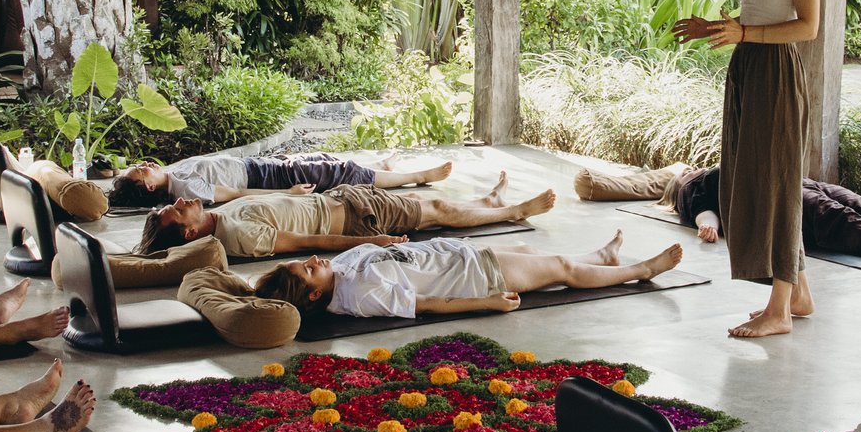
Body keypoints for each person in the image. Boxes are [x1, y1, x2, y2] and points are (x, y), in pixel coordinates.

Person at [672, 0, 820, 340]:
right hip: (748, 71)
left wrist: (745, 34)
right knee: (749, 179)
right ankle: (797, 292)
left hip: (776, 74)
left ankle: (778, 309)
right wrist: (711, 28)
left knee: (776, 183)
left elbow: (807, 26)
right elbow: (750, 20)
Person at [255, 231, 683, 321]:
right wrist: (488, 302)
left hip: (460, 253)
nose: (315, 260)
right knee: (561, 270)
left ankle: (600, 254)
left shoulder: (340, 270)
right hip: (476, 276)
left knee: (538, 252)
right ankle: (641, 270)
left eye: (308, 260)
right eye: (309, 269)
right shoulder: (361, 296)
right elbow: (425, 305)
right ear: (313, 296)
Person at [146, 173, 555, 261]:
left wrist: (287, 193)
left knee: (432, 210)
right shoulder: (241, 238)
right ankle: (515, 211)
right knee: (436, 212)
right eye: (176, 211)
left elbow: (266, 203)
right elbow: (312, 244)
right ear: (187, 233)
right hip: (357, 220)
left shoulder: (218, 217)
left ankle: (488, 202)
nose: (181, 202)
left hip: (340, 198)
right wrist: (370, 242)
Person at [662, 164, 861, 265]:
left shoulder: (708, 170)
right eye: (683, 171)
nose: (688, 167)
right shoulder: (691, 187)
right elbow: (704, 212)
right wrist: (709, 228)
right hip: (770, 196)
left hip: (798, 181)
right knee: (838, 217)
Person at [108, 152, 456, 212]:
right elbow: (235, 194)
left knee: (326, 162)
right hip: (266, 177)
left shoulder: (173, 172)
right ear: (150, 187)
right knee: (336, 173)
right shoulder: (184, 190)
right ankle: (417, 177)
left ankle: (378, 167)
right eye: (141, 172)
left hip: (263, 165)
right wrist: (285, 193)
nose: (144, 165)